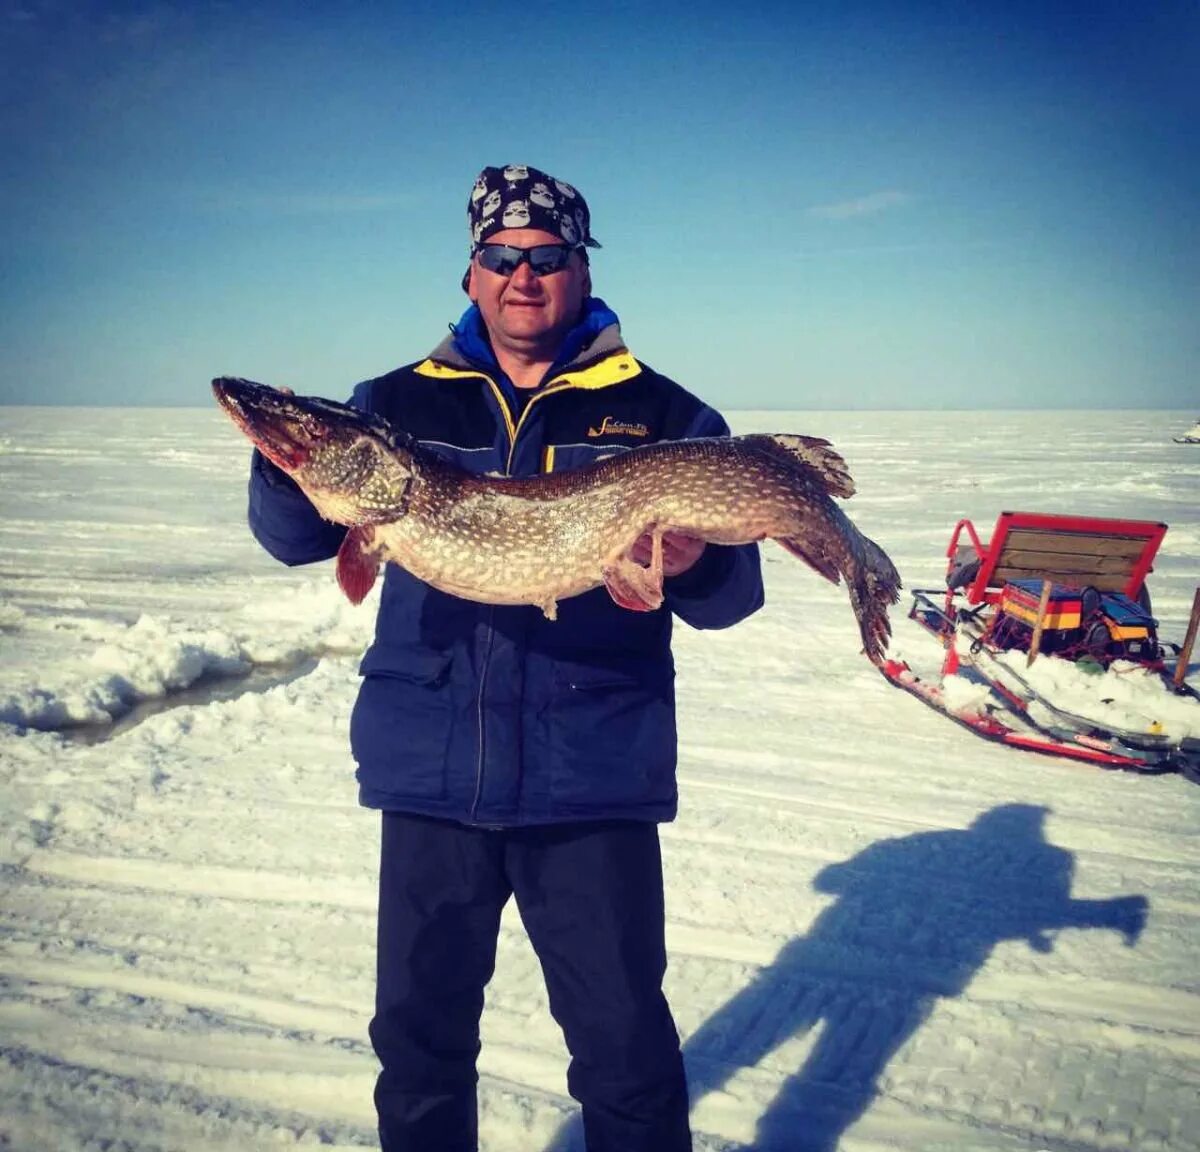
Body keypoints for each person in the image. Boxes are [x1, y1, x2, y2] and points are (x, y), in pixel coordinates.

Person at [245, 163, 765, 1152]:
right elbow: (298, 540)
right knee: (420, 1044)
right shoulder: (392, 404)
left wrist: (696, 565)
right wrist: (286, 461)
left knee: (624, 1055)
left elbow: (732, 600)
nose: (523, 275)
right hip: (434, 775)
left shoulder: (666, 418)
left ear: (578, 266)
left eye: (547, 256)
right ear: (471, 272)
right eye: (501, 256)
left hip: (593, 780)